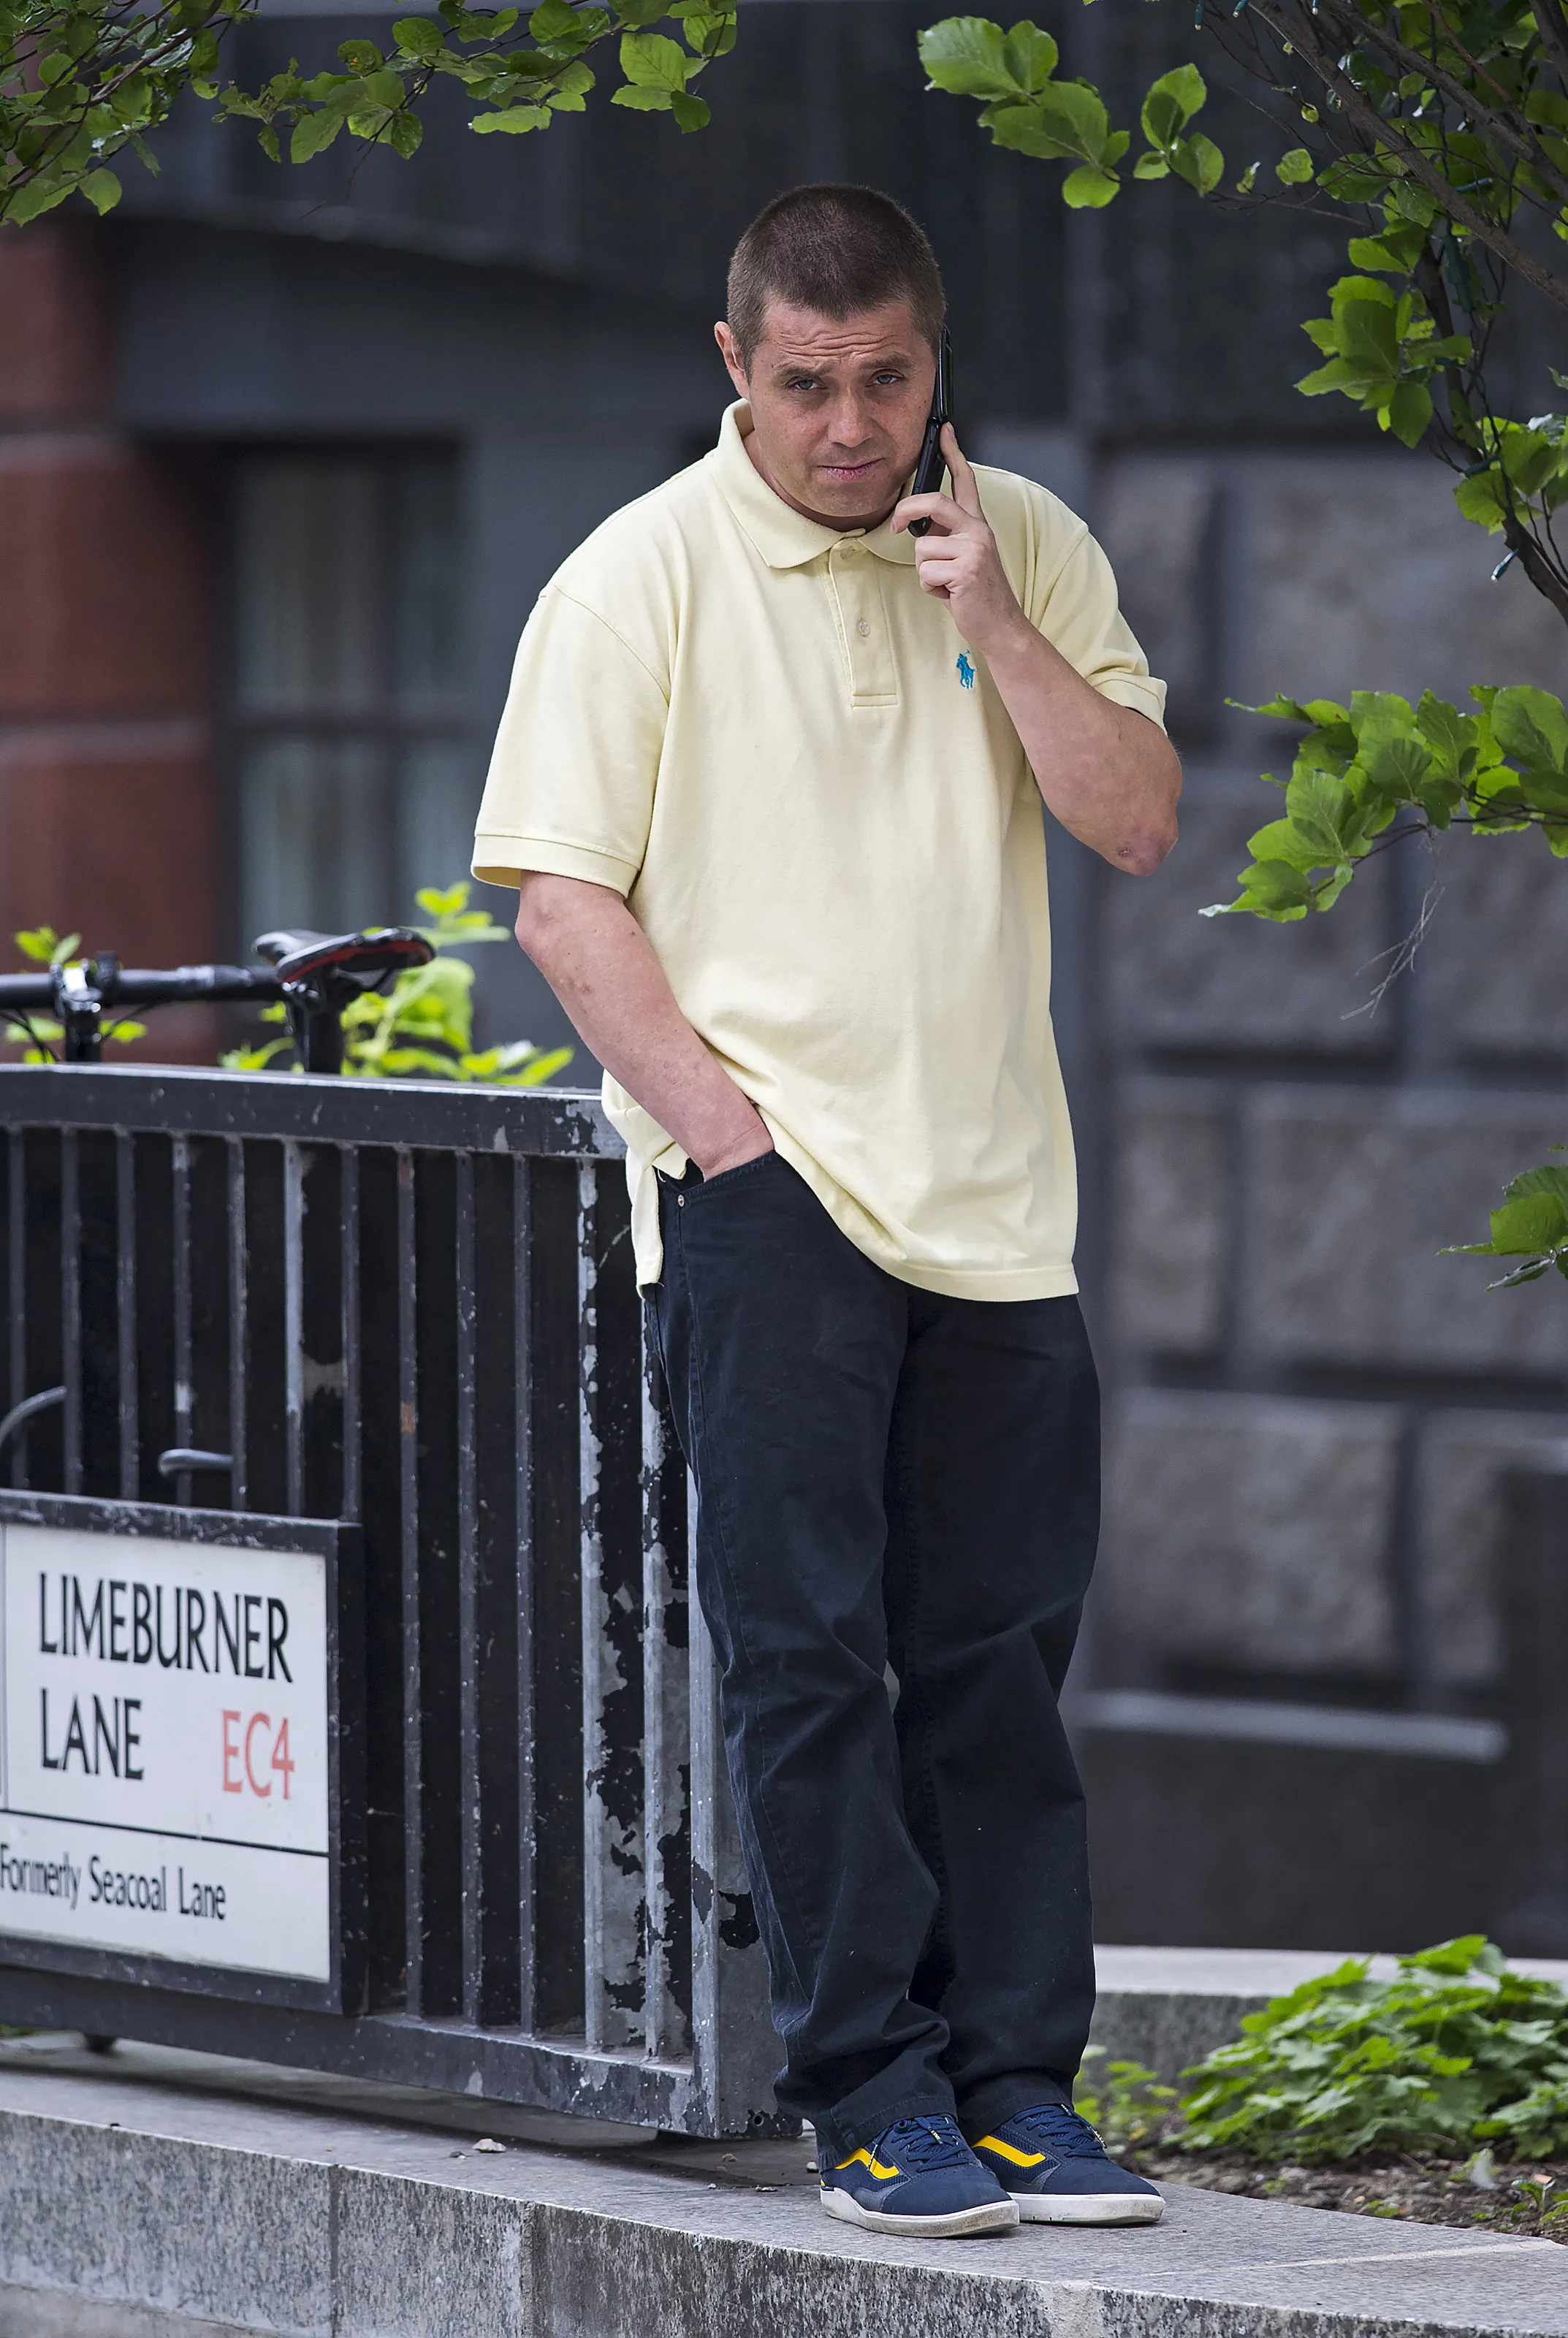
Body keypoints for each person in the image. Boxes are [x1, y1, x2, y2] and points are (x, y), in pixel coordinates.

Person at [473, 183, 1181, 2242]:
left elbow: (1135, 822)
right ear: (736, 369)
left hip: (998, 1203)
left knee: (997, 1660)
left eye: (885, 382)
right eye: (808, 386)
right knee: (812, 1662)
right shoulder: (641, 579)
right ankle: (870, 2090)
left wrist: (994, 624)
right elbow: (560, 897)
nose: (850, 428)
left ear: (933, 364)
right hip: (775, 1196)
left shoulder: (1027, 544)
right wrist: (724, 1136)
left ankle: (1020, 2088)